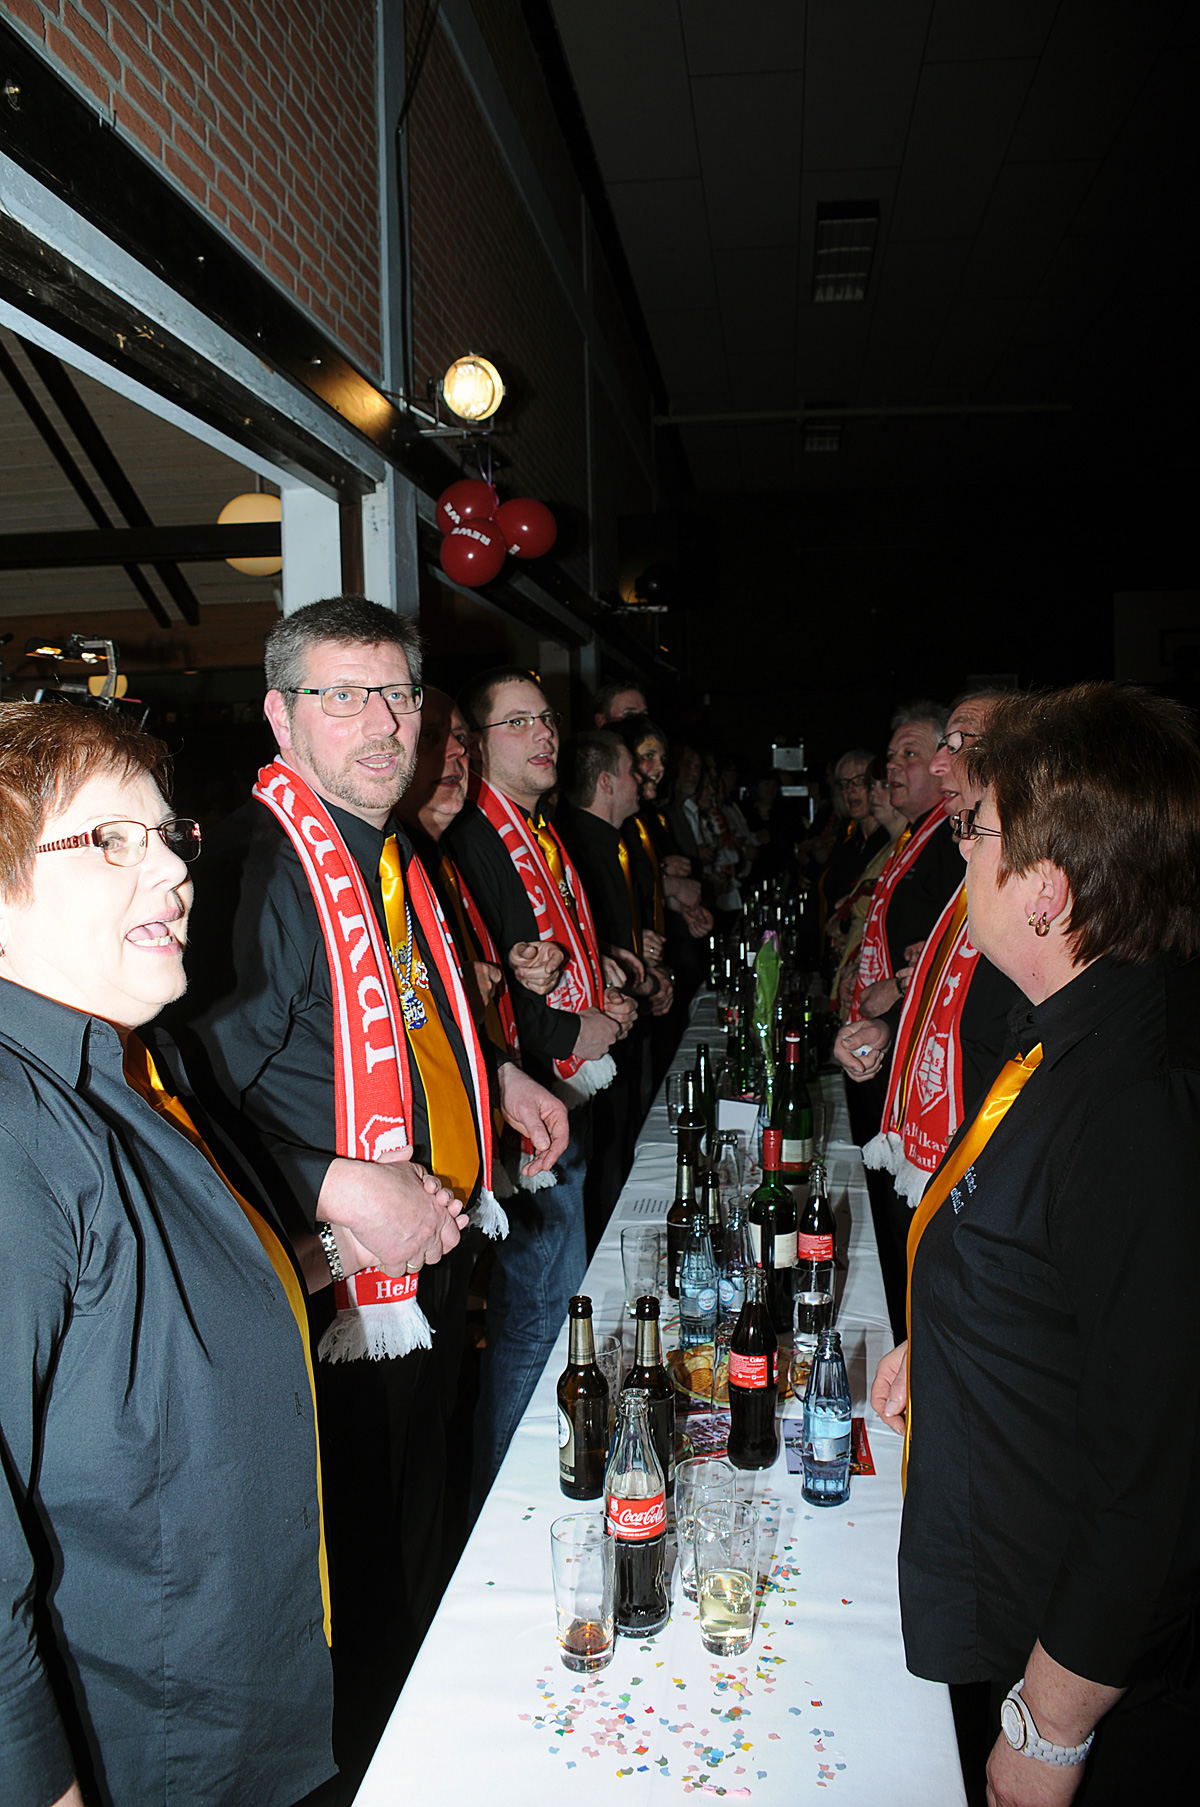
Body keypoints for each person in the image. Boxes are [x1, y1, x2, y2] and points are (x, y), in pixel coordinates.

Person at [171, 598, 566, 1786]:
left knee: (423, 1527)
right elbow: (189, 1107)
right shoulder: (256, 868)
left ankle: (442, 1737)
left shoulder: (388, 852)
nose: (384, 722)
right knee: (366, 1571)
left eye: (396, 693)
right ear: (280, 714)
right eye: (343, 696)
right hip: (337, 1296)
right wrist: (339, 1183)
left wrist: (497, 1078)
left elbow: (403, 1012)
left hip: (429, 1264)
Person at [0, 701, 334, 1807]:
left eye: (166, 833)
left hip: (226, 1711)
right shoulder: (11, 1125)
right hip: (138, 1751)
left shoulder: (124, 1071)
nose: (176, 870)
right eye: (109, 840)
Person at [871, 682, 1200, 1805]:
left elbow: (1159, 1476)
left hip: (1070, 1680)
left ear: (1048, 890)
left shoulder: (1135, 1111)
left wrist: (1050, 1726)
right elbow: (1039, 1267)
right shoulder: (1066, 1031)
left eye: (976, 829)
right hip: (1008, 1602)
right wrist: (952, 1343)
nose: (959, 849)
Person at [447, 667, 636, 1498]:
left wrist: (604, 988)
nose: (545, 733)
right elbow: (474, 994)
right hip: (526, 1104)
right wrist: (566, 1029)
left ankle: (540, 1472)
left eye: (547, 718)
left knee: (555, 1302)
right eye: (519, 721)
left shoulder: (538, 830)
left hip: (563, 1090)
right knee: (537, 1315)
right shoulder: (474, 836)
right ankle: (512, 1495)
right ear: (479, 746)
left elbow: (540, 961)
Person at [839, 694, 1022, 1213]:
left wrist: (903, 987)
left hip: (988, 1143)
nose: (941, 763)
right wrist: (895, 1022)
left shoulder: (1027, 868)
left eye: (955, 745)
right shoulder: (951, 842)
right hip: (939, 1096)